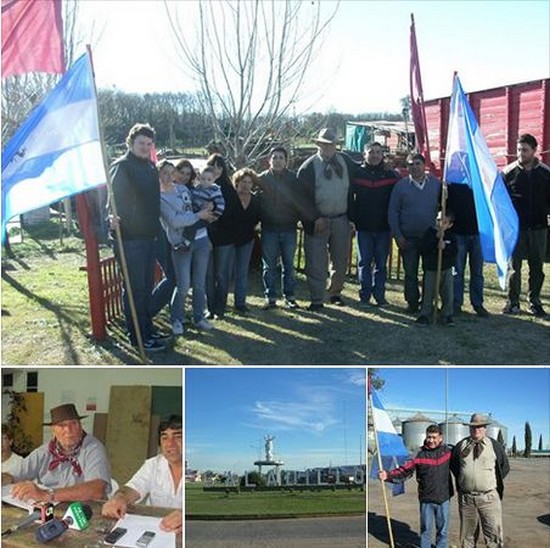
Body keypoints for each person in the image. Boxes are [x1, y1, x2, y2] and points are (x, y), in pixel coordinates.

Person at [109, 123, 168, 352]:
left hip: (149, 236)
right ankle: (138, 337)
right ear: (131, 143)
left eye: (149, 143)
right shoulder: (122, 167)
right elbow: (113, 201)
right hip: (130, 239)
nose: (145, 147)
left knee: (146, 286)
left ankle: (147, 329)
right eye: (141, 143)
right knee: (134, 289)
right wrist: (110, 220)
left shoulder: (151, 167)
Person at [297, 128, 357, 310]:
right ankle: (316, 299)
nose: (329, 147)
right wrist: (314, 218)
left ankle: (335, 293)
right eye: (325, 143)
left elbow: (362, 174)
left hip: (341, 219)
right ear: (318, 144)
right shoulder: (307, 167)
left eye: (332, 144)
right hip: (318, 222)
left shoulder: (345, 161)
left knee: (340, 260)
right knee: (316, 262)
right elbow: (301, 199)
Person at [2, 404, 111, 503]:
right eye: (62, 425)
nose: (68, 429)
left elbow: (97, 489)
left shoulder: (93, 448)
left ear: (80, 426)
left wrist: (46, 495)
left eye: (73, 423)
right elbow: (12, 476)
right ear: (53, 430)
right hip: (53, 510)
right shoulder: (44, 452)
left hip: (86, 510)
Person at [158, 161, 216, 334]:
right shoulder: (160, 198)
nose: (169, 177)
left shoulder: (183, 190)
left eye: (171, 172)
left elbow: (194, 208)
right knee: (183, 284)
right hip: (181, 244)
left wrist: (207, 209)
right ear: (158, 175)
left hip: (201, 239)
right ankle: (176, 318)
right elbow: (175, 221)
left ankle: (199, 317)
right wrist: (198, 215)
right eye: (164, 173)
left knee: (199, 282)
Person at [102, 415, 182, 534]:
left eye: (178, 437)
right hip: (155, 531)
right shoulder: (153, 465)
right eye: (164, 438)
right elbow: (132, 488)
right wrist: (119, 498)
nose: (170, 444)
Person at [378, 424, 453, 548]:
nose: (431, 440)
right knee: (425, 531)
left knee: (443, 532)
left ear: (440, 438)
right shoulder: (419, 453)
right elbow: (404, 470)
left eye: (434, 437)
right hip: (426, 500)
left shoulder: (447, 452)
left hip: (444, 499)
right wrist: (388, 475)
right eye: (429, 437)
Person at [502, 133, 550, 317]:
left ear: (534, 150)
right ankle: (513, 302)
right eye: (519, 150)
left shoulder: (545, 173)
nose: (521, 153)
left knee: (537, 267)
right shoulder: (508, 173)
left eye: (525, 150)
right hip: (516, 230)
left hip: (538, 228)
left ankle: (535, 302)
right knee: (514, 267)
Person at [388, 153, 441, 313]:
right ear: (407, 167)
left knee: (430, 273)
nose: (414, 167)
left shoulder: (436, 184)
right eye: (410, 164)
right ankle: (412, 302)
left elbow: (443, 207)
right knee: (410, 273)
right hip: (408, 238)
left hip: (430, 238)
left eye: (418, 164)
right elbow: (393, 212)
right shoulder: (401, 186)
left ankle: (427, 303)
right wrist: (398, 235)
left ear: (424, 165)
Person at [349, 141, 399, 306]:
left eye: (378, 152)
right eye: (371, 152)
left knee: (381, 264)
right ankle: (364, 296)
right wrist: (352, 220)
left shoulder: (390, 175)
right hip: (363, 227)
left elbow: (398, 200)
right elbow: (350, 199)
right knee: (364, 263)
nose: (375, 155)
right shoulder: (357, 174)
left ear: (382, 155)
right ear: (365, 154)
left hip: (384, 228)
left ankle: (380, 296)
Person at [451, 413, 510, 548]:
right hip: (467, 499)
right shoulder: (461, 445)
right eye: (473, 427)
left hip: (488, 498)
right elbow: (454, 466)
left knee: (493, 535)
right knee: (468, 537)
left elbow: (504, 467)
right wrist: (465, 479)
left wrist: (488, 481)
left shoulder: (494, 445)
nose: (476, 430)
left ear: (485, 428)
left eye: (480, 427)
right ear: (469, 428)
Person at [258, 146, 301, 310]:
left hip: (289, 229)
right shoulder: (261, 179)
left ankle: (289, 296)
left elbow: (300, 202)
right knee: (269, 266)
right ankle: (270, 296)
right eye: (274, 157)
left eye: (281, 158)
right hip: (269, 229)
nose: (277, 160)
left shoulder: (293, 179)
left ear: (286, 161)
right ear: (269, 160)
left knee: (288, 265)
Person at [205, 153, 241, 319]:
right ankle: (210, 308)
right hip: (206, 238)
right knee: (208, 274)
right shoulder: (203, 187)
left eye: (220, 166)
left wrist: (216, 215)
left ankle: (220, 309)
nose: (217, 170)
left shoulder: (228, 190)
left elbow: (234, 214)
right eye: (213, 166)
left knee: (221, 274)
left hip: (225, 238)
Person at [447, 183, 489, 317]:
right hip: (458, 233)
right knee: (457, 271)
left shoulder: (481, 180)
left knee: (477, 271)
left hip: (478, 232)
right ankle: (456, 303)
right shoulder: (453, 183)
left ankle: (477, 303)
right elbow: (445, 206)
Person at [416, 211, 458, 327]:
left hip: (446, 269)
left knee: (447, 293)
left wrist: (445, 248)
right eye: (438, 220)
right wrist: (435, 240)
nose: (440, 224)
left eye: (444, 222)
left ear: (450, 225)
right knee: (428, 293)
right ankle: (425, 314)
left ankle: (447, 315)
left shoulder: (451, 235)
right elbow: (424, 249)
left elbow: (454, 252)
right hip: (431, 268)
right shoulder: (430, 233)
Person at [231, 168, 261, 313]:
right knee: (223, 273)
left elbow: (258, 219)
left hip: (247, 240)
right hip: (228, 240)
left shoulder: (256, 200)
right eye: (243, 182)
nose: (246, 185)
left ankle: (240, 302)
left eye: (249, 182)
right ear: (237, 182)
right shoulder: (230, 197)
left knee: (242, 272)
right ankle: (219, 303)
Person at [181, 165, 225, 248]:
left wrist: (214, 216)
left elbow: (221, 205)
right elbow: (191, 197)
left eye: (209, 180)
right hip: (196, 212)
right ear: (199, 177)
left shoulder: (215, 190)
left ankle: (186, 243)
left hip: (206, 217)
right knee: (189, 222)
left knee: (192, 225)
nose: (205, 182)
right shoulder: (197, 188)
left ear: (214, 179)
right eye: (203, 179)